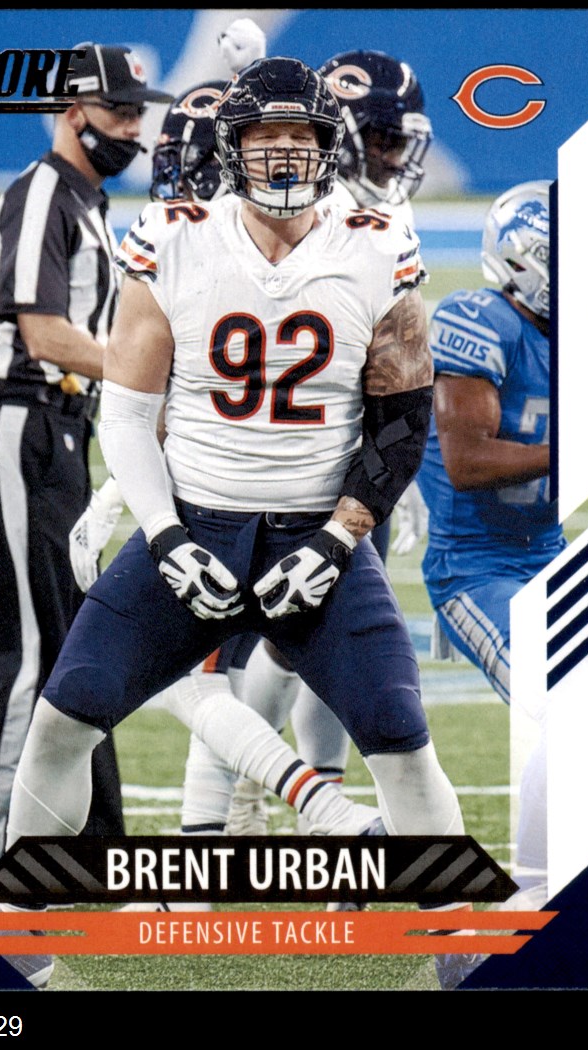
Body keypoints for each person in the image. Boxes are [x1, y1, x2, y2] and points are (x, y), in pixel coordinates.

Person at [7, 54, 465, 922]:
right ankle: (24, 935)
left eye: (301, 135)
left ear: (327, 147)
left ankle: (461, 948)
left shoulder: (377, 242)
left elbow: (401, 421)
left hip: (315, 532)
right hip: (194, 521)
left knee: (400, 738)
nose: (284, 153)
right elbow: (129, 413)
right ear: (232, 147)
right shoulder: (173, 235)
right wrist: (163, 534)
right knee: (64, 718)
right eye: (265, 136)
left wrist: (338, 537)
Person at [0, 43, 174, 882]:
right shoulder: (44, 190)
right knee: (38, 647)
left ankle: (95, 849)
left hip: (61, 429)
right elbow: (43, 332)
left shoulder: (86, 201)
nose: (132, 128)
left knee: (82, 644)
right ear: (72, 112)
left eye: (136, 113)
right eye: (118, 111)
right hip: (20, 422)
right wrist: (143, 383)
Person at [225, 44, 434, 836]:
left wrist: (397, 469)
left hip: (352, 451)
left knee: (313, 637)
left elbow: (399, 363)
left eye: (397, 139)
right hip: (278, 454)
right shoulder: (290, 211)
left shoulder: (383, 217)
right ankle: (231, 801)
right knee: (273, 639)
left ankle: (310, 806)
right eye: (380, 137)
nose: (392, 156)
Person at [416, 180, 561, 988]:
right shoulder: (477, 320)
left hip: (549, 554)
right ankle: (521, 911)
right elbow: (468, 461)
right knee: (565, 711)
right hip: (475, 567)